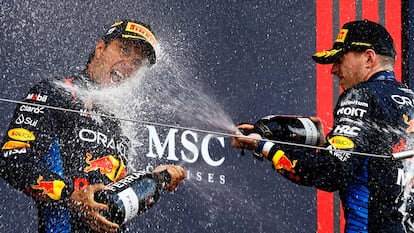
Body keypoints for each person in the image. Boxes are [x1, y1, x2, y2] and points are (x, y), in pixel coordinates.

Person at [0, 19, 186, 233]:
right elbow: (13, 159)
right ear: (100, 48)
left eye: (137, 62)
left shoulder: (119, 122)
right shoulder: (55, 92)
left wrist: (153, 179)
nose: (129, 64)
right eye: (124, 50)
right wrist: (72, 195)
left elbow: (114, 197)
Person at [232, 19, 414, 232]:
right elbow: (381, 155)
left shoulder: (360, 95)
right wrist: (326, 139)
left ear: (369, 58)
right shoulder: (409, 99)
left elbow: (332, 170)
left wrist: (264, 146)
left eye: (340, 59)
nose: (333, 69)